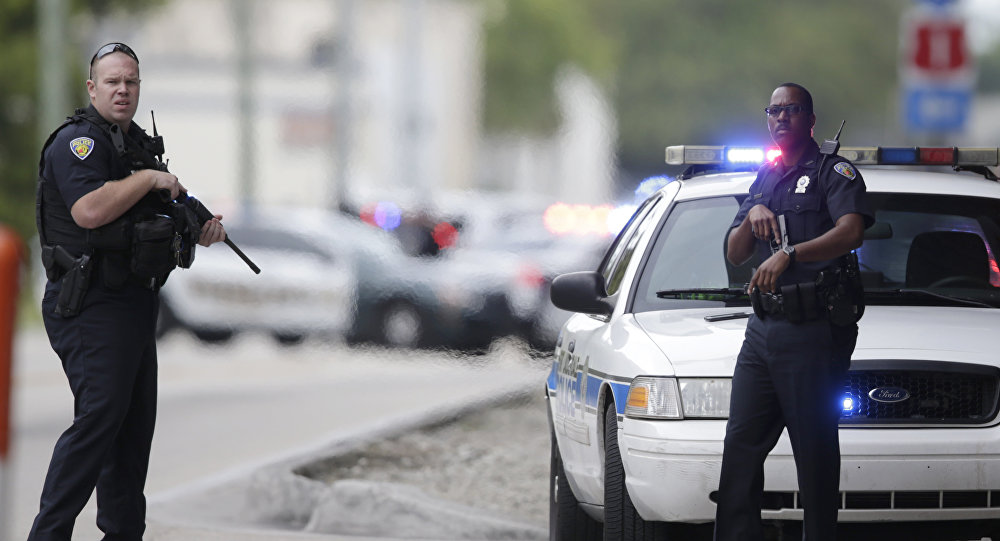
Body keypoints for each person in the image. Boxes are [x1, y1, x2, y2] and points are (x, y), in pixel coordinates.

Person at [29, 42, 226, 541]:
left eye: (131, 82)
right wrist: (149, 179)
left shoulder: (133, 143)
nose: (123, 90)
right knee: (99, 419)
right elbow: (90, 211)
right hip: (89, 300)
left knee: (131, 433)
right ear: (92, 88)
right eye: (113, 82)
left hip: (135, 300)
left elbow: (156, 208)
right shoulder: (80, 143)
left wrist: (196, 223)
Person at [714, 82, 873, 541]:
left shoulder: (832, 171)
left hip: (811, 331)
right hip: (762, 329)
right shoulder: (764, 178)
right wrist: (754, 211)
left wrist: (792, 253)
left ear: (810, 119)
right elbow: (736, 252)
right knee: (740, 449)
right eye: (774, 111)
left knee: (814, 452)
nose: (781, 118)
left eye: (792, 110)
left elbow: (851, 232)